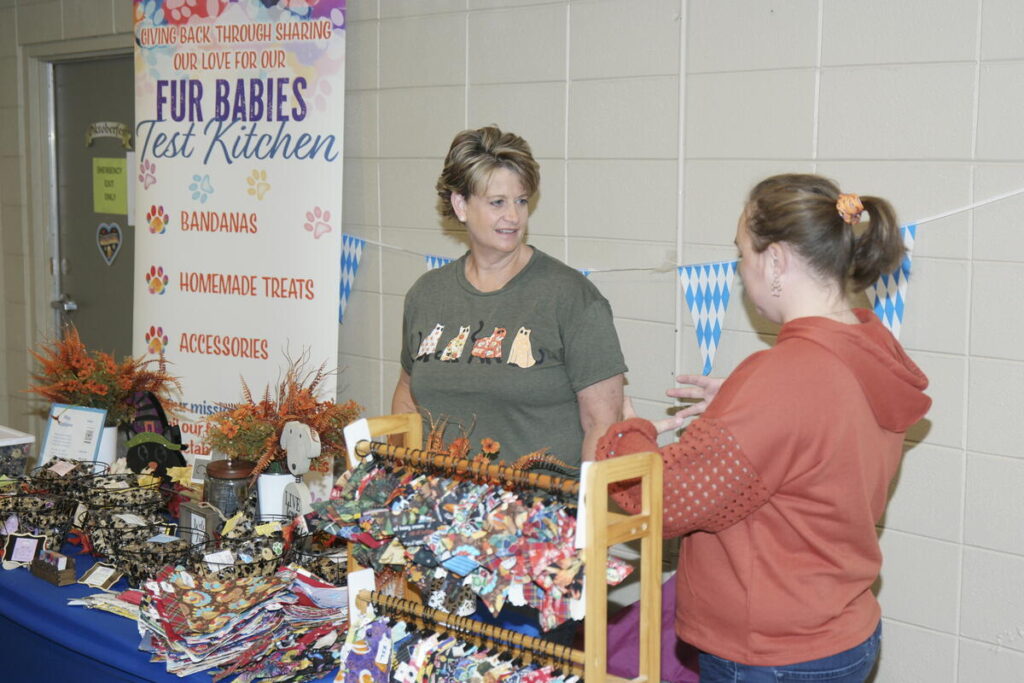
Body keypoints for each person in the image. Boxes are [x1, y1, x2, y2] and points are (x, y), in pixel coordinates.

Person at [598, 174, 931, 682]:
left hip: (774, 654)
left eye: (742, 254)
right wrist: (744, 402)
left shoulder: (784, 377)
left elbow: (663, 501)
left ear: (775, 261)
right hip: (842, 632)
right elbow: (817, 435)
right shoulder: (868, 347)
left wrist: (625, 432)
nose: (739, 270)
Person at [391, 125, 626, 468]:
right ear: (460, 205)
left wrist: (586, 500)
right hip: (436, 497)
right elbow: (407, 399)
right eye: (497, 202)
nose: (513, 217)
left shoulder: (571, 296)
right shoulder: (426, 294)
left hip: (541, 499)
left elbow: (602, 425)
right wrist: (397, 479)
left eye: (521, 201)